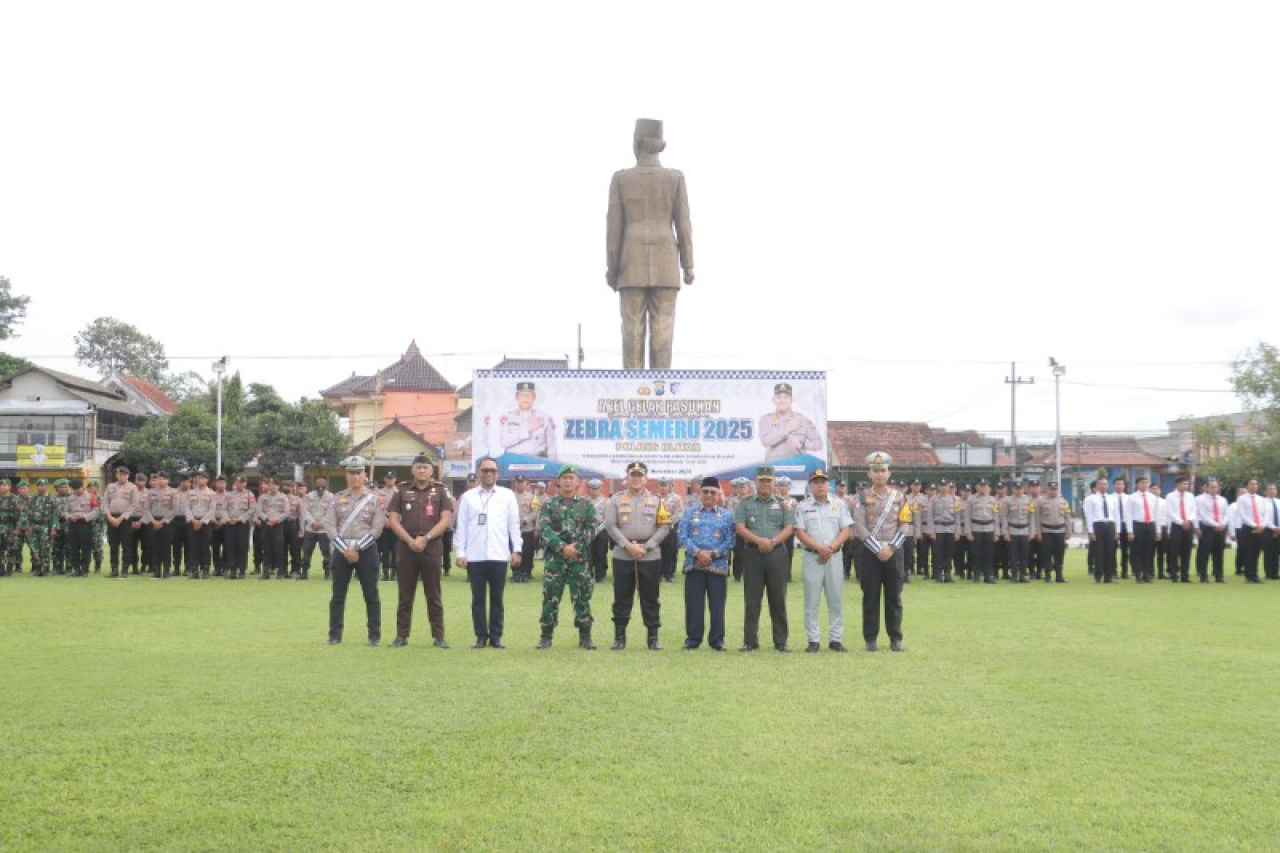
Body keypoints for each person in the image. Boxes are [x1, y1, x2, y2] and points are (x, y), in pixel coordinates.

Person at [605, 117, 694, 369]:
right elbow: (684, 224)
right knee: (663, 329)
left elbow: (613, 229)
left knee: (631, 329)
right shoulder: (675, 178)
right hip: (667, 263)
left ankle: (632, 389)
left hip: (630, 264)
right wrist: (688, 265)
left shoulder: (621, 179)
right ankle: (660, 387)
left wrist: (612, 269)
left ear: (636, 143)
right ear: (660, 146)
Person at [384, 454, 454, 648]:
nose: (422, 470)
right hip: (406, 548)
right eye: (418, 467)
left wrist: (426, 538)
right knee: (405, 594)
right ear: (412, 470)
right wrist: (410, 540)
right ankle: (401, 636)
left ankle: (439, 636)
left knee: (434, 594)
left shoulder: (441, 490)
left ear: (432, 470)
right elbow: (392, 519)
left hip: (431, 547)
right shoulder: (401, 489)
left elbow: (446, 519)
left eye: (425, 467)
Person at [455, 457, 523, 649]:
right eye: (485, 470)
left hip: (499, 554)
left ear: (497, 474)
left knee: (497, 599)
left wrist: (516, 549)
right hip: (475, 556)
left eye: (492, 470)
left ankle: (496, 637)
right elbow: (462, 527)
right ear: (478, 472)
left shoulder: (507, 495)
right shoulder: (468, 497)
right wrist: (460, 552)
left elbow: (514, 525)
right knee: (477, 600)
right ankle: (480, 636)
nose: (489, 474)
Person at [605, 461, 670, 650]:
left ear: (646, 479)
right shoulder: (615, 500)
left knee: (650, 597)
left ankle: (653, 638)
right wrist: (627, 545)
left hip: (649, 556)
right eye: (632, 475)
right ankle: (619, 638)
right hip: (623, 554)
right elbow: (610, 525)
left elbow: (664, 526)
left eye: (639, 476)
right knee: (621, 596)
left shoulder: (658, 500)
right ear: (627, 477)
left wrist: (647, 546)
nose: (636, 479)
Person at [323, 456, 386, 646]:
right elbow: (330, 526)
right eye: (351, 472)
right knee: (337, 594)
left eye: (358, 472)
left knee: (371, 594)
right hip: (342, 551)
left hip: (366, 550)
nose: (355, 476)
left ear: (364, 474)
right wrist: (346, 549)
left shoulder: (376, 500)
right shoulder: (336, 498)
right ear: (346, 475)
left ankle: (374, 636)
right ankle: (334, 635)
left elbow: (377, 529)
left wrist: (356, 548)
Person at [536, 465, 598, 650]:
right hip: (556, 560)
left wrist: (576, 548)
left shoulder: (586, 505)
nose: (568, 481)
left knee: (582, 597)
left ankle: (585, 636)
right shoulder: (549, 504)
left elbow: (592, 529)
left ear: (578, 482)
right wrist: (562, 547)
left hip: (579, 560)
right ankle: (546, 636)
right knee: (550, 597)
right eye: (565, 478)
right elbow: (545, 530)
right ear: (559, 481)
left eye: (572, 478)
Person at [734, 465, 794, 652]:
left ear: (774, 482)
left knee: (778, 599)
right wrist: (758, 540)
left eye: (769, 480)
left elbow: (789, 527)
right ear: (756, 482)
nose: (765, 484)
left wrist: (773, 541)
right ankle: (750, 641)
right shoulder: (745, 503)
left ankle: (781, 642)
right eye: (762, 480)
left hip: (777, 553)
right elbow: (740, 527)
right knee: (752, 599)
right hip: (752, 553)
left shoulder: (784, 503)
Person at [793, 469, 853, 653]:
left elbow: (846, 530)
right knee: (811, 600)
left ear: (829, 484)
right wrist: (820, 548)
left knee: (835, 600)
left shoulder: (839, 504)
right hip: (813, 557)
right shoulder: (803, 506)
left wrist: (830, 548)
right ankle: (813, 640)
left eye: (823, 481)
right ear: (811, 484)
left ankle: (835, 639)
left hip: (834, 557)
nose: (820, 485)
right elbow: (800, 532)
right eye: (816, 481)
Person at [853, 452, 908, 652]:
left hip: (894, 551)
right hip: (870, 552)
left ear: (889, 473)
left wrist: (891, 548)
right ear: (869, 473)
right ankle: (870, 639)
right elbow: (859, 525)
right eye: (875, 471)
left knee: (894, 597)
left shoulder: (900, 497)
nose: (879, 474)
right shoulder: (861, 497)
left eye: (883, 470)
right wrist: (878, 549)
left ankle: (895, 638)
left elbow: (905, 524)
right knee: (871, 596)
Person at [677, 476, 735, 651]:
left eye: (712, 492)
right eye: (705, 492)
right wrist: (697, 553)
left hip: (717, 566)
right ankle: (693, 639)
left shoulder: (726, 515)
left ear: (718, 494)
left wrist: (714, 554)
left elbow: (731, 540)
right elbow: (682, 536)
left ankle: (717, 640)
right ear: (699, 494)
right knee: (694, 604)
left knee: (717, 605)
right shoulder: (689, 513)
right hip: (694, 565)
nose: (709, 495)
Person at [758, 383, 823, 461]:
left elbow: (819, 444)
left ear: (791, 400)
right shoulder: (765, 419)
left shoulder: (803, 420)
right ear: (773, 400)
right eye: (779, 397)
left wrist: (802, 445)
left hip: (798, 467)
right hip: (774, 466)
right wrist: (786, 429)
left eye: (786, 397)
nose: (782, 400)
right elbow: (765, 442)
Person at [500, 382, 557, 458]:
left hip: (538, 460)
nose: (526, 398)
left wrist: (552, 467)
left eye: (529, 395)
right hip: (513, 460)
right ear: (517, 397)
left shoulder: (545, 417)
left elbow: (551, 447)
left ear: (534, 397)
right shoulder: (507, 417)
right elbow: (504, 442)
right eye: (522, 395)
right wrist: (528, 429)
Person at [142, 471, 179, 579]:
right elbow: (146, 508)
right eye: (159, 478)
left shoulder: (173, 492)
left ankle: (166, 570)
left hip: (166, 523)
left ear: (168, 480)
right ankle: (156, 570)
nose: (161, 481)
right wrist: (153, 521)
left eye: (163, 479)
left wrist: (162, 521)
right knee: (154, 547)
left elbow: (174, 509)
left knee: (166, 547)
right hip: (153, 522)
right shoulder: (150, 492)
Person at [1000, 480, 1036, 583]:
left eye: (1020, 489)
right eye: (1016, 489)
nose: (1018, 491)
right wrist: (1005, 532)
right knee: (1013, 555)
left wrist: (1032, 531)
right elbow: (1004, 517)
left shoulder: (1029, 500)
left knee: (1024, 554)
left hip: (1025, 530)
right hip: (1012, 531)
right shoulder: (1007, 501)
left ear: (1023, 490)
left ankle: (1023, 575)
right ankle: (1014, 575)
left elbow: (1031, 517)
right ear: (1013, 490)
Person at [1195, 477, 1229, 583]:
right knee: (1205, 552)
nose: (1214, 489)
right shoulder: (1200, 499)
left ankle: (1219, 575)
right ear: (1207, 488)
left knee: (1219, 552)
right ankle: (1203, 575)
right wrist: (1215, 524)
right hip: (1207, 527)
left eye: (1216, 487)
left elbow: (1226, 514)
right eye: (1212, 487)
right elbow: (1202, 515)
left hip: (1221, 527)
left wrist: (1223, 523)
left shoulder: (1222, 500)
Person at [184, 468, 217, 579]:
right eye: (198, 478)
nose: (200, 480)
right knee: (193, 547)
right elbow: (187, 508)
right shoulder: (190, 492)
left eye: (202, 478)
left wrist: (201, 522)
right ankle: (194, 571)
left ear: (207, 480)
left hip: (206, 523)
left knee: (205, 547)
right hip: (192, 522)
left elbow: (212, 510)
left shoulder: (211, 493)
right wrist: (193, 520)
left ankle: (205, 570)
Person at [255, 477, 289, 580]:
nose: (272, 486)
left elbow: (286, 512)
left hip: (278, 525)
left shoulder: (283, 497)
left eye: (274, 484)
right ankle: (265, 572)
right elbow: (259, 511)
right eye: (270, 484)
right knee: (266, 549)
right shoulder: (262, 497)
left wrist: (277, 519)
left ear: (278, 486)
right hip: (266, 525)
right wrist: (267, 519)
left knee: (279, 549)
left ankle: (281, 572)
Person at [62, 477, 98, 576]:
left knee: (85, 547)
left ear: (82, 487)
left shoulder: (91, 497)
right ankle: (76, 569)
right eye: (74, 489)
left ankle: (85, 570)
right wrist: (69, 516)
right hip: (73, 524)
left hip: (85, 524)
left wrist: (84, 516)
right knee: (74, 547)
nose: (76, 491)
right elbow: (65, 511)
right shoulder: (70, 498)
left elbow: (96, 511)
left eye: (77, 489)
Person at [1128, 476, 1161, 584]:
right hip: (1138, 525)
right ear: (1137, 484)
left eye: (1146, 483)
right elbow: (1128, 514)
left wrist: (1158, 530)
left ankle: (1147, 574)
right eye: (1142, 483)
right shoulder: (1132, 498)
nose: (1145, 485)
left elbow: (1156, 515)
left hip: (1150, 525)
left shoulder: (1152, 497)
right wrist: (1130, 531)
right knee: (1137, 551)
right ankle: (1138, 574)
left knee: (1149, 551)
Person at [1084, 478, 1118, 583]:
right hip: (1098, 525)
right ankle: (1098, 575)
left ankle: (1108, 576)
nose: (1104, 486)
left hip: (1110, 524)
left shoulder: (1112, 498)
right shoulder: (1090, 499)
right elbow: (1088, 515)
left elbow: (1116, 515)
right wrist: (1090, 531)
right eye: (1101, 484)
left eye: (1105, 484)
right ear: (1097, 486)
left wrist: (1117, 530)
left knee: (1110, 551)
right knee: (1098, 552)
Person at [1036, 481, 1070, 583]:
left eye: (1055, 489)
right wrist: (1038, 532)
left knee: (1060, 554)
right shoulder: (1041, 502)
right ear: (1047, 490)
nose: (1053, 491)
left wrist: (1069, 530)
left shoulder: (1064, 502)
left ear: (1057, 490)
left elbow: (1067, 517)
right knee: (1047, 554)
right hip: (1047, 531)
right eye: (1051, 489)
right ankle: (1047, 575)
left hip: (1060, 531)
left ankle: (1059, 575)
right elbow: (1037, 518)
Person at [1165, 475, 1197, 583]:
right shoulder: (1170, 496)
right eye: (1184, 484)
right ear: (1178, 484)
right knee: (1175, 551)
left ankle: (1185, 575)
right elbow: (1170, 512)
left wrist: (1188, 520)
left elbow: (1193, 510)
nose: (1186, 486)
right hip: (1176, 525)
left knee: (1186, 551)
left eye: (1187, 484)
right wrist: (1181, 521)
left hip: (1188, 524)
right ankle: (1174, 574)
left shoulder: (1190, 496)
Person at [222, 475, 255, 579]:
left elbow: (252, 509)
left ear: (246, 483)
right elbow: (223, 509)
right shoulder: (228, 495)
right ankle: (232, 570)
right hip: (230, 524)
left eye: (243, 482)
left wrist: (240, 519)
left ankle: (241, 570)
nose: (240, 484)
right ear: (235, 483)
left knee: (242, 547)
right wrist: (228, 519)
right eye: (238, 482)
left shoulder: (250, 495)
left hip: (242, 524)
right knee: (230, 547)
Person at [967, 479, 999, 584]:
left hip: (989, 528)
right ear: (977, 487)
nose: (983, 488)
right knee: (976, 553)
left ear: (987, 487)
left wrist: (996, 533)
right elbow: (967, 517)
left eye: (984, 486)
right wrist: (969, 532)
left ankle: (987, 575)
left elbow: (996, 517)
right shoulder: (971, 500)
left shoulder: (993, 500)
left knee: (989, 554)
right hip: (976, 528)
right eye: (981, 486)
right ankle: (976, 575)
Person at [302, 477, 334, 580]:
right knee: (307, 550)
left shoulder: (331, 497)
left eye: (322, 487)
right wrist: (312, 522)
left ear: (326, 487)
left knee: (326, 551)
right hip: (310, 528)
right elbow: (305, 511)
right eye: (318, 487)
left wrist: (321, 523)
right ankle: (304, 572)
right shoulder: (308, 496)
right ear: (314, 486)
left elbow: (331, 512)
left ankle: (327, 572)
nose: (320, 489)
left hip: (324, 529)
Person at [657, 477, 683, 582]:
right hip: (657, 528)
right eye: (661, 486)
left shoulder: (676, 498)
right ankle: (658, 574)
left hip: (670, 528)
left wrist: (669, 522)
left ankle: (669, 574)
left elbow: (679, 513)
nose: (663, 488)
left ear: (669, 487)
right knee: (658, 551)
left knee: (670, 551)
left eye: (665, 486)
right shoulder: (655, 498)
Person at [513, 475, 538, 583]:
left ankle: (526, 572)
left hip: (527, 529)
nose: (520, 484)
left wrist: (525, 521)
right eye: (518, 482)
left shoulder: (532, 497)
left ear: (526, 483)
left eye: (522, 482)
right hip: (513, 530)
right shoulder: (510, 496)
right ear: (515, 483)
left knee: (527, 552)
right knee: (514, 551)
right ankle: (515, 572)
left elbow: (535, 512)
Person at [376, 471, 399, 581]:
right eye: (388, 478)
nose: (390, 480)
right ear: (385, 479)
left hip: (397, 526)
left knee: (396, 550)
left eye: (392, 478)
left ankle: (394, 573)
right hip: (383, 525)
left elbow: (404, 510)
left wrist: (395, 522)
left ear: (395, 479)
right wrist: (384, 520)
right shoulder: (379, 493)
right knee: (384, 550)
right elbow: (377, 509)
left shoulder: (399, 492)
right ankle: (385, 573)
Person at [586, 478, 610, 582]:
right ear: (589, 489)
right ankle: (588, 575)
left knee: (601, 554)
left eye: (596, 488)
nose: (594, 490)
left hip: (601, 531)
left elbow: (607, 518)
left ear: (600, 488)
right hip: (587, 531)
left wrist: (598, 529)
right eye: (592, 488)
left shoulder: (606, 502)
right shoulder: (584, 501)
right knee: (588, 554)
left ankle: (600, 576)